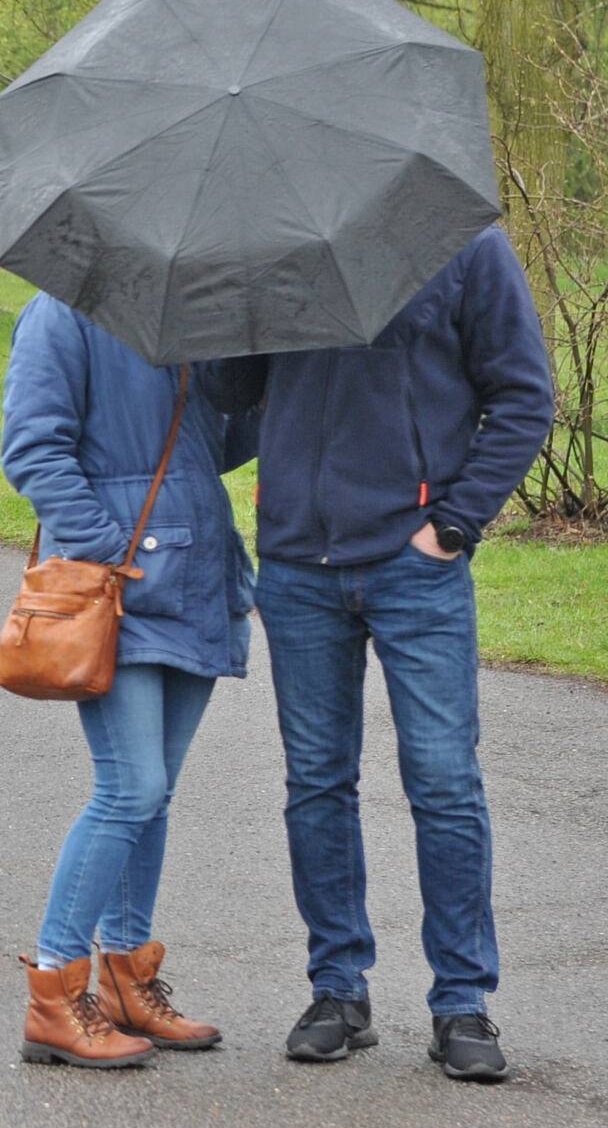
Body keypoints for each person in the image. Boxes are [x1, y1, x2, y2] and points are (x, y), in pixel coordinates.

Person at [206, 225, 551, 1081]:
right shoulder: (276, 249)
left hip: (415, 565)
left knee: (443, 780)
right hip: (297, 564)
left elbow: (523, 394)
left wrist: (455, 525)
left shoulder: (462, 245)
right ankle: (337, 989)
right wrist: (231, 305)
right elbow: (233, 392)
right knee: (317, 781)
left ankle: (463, 1003)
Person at [1, 292, 255, 1066]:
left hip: (198, 576)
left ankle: (126, 976)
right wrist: (109, 546)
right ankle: (55, 989)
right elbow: (32, 450)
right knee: (130, 788)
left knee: (156, 793)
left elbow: (219, 444)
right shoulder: (61, 316)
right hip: (118, 587)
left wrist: (251, 371)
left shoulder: (194, 317)